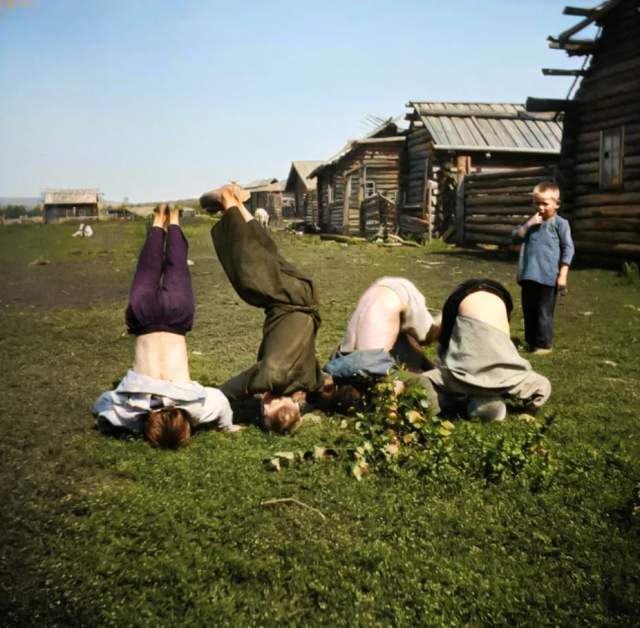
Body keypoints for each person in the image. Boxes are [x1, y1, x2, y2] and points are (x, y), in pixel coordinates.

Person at [94, 204, 239, 448]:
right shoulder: (131, 409)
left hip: (176, 316)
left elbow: (222, 401)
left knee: (177, 266)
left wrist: (228, 425)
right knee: (148, 267)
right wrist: (132, 422)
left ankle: (173, 220)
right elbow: (101, 404)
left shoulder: (194, 405)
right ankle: (158, 221)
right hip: (144, 317)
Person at [200, 184, 323, 434]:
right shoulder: (272, 377)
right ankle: (227, 199)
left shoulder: (310, 381)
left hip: (304, 294)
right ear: (268, 409)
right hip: (287, 299)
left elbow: (323, 383)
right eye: (263, 410)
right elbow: (232, 390)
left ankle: (238, 203)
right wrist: (207, 407)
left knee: (264, 252)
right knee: (247, 275)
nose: (261, 405)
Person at [425, 278, 551, 422]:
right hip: (464, 297)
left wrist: (529, 411)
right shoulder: (455, 380)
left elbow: (543, 386)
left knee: (498, 337)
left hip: (498, 296)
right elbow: (425, 379)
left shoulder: (512, 381)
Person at [321, 277, 441, 411]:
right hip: (370, 365)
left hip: (343, 359)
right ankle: (435, 414)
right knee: (422, 383)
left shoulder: (373, 293)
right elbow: (426, 336)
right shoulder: (407, 293)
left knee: (404, 339)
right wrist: (443, 323)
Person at [512, 181, 575, 354]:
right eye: (536, 203)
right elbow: (515, 237)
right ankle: (531, 342)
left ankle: (544, 345)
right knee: (529, 310)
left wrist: (563, 274)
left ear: (557, 204)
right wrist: (528, 224)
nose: (540, 207)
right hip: (528, 275)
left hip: (548, 276)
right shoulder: (531, 223)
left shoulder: (560, 224)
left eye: (545, 204)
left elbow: (568, 249)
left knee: (543, 311)